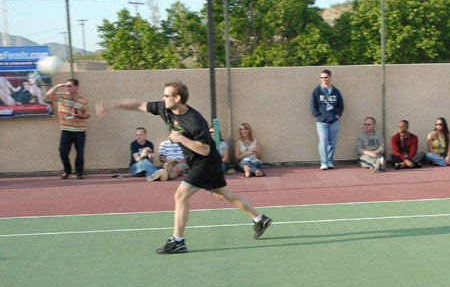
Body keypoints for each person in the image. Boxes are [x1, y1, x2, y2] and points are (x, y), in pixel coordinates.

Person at [96, 81, 272, 254]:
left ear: (177, 98)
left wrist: (181, 139)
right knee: (225, 195)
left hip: (206, 162)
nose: (162, 98)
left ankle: (178, 241)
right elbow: (138, 104)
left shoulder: (195, 120)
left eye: (166, 95)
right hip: (198, 162)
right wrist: (111, 105)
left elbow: (205, 149)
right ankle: (260, 218)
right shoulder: (164, 108)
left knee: (181, 195)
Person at [44, 79, 90, 179]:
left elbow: (87, 115)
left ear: (77, 87)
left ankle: (79, 172)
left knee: (80, 153)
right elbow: (47, 95)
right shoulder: (61, 96)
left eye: (70, 86)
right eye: (67, 86)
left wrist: (79, 115)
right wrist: (57, 86)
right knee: (62, 152)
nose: (68, 88)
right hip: (66, 130)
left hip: (79, 131)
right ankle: (67, 171)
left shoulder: (83, 100)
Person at [310, 69, 344, 170]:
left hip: (334, 121)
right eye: (322, 77)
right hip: (321, 122)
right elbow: (313, 105)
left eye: (326, 77)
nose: (324, 79)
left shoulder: (336, 91)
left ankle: (330, 161)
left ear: (330, 77)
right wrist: (318, 115)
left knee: (332, 143)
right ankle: (323, 162)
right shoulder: (317, 91)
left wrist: (337, 115)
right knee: (323, 140)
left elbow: (341, 105)